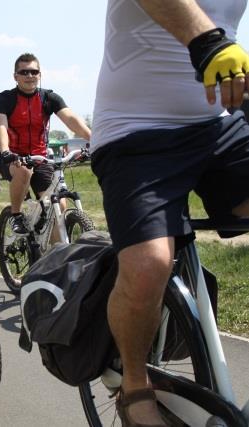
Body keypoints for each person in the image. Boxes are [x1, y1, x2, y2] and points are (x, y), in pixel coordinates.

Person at [90, 2, 249, 426]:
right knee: (149, 266)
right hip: (135, 131)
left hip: (221, 122)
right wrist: (210, 40)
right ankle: (135, 385)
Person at [0, 53, 91, 234]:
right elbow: (1, 127)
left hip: (40, 157)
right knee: (23, 171)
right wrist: (5, 151)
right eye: (24, 72)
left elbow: (70, 119)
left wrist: (94, 138)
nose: (29, 75)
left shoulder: (49, 98)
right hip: (12, 157)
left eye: (34, 71)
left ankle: (54, 255)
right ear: (16, 76)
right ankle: (16, 215)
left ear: (40, 74)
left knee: (58, 205)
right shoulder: (4, 99)